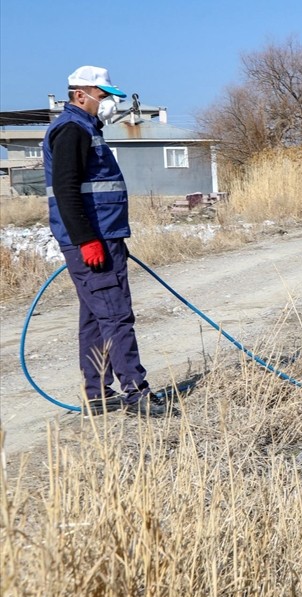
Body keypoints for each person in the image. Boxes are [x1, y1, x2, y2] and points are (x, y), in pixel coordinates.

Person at [42, 66, 166, 417]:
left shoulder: (85, 129)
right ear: (80, 95)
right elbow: (66, 191)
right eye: (104, 95)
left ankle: (98, 395)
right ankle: (135, 392)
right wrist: (87, 241)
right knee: (116, 315)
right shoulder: (71, 130)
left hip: (103, 237)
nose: (110, 103)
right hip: (92, 242)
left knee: (96, 319)